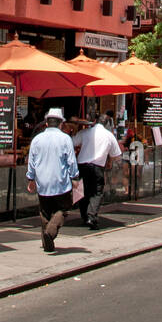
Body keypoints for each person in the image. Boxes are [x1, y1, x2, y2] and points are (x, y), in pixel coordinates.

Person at [26, 108, 80, 252]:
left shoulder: (37, 139)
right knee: (63, 209)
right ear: (61, 123)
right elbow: (71, 161)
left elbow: (31, 161)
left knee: (44, 212)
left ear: (46, 123)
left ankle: (46, 243)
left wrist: (30, 178)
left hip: (42, 182)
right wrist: (74, 177)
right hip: (60, 182)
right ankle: (50, 232)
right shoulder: (65, 139)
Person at [75, 113, 122, 226]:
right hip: (98, 167)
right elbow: (116, 155)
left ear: (95, 121)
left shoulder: (85, 132)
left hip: (82, 165)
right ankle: (91, 216)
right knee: (97, 192)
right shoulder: (109, 136)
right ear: (106, 124)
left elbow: (73, 142)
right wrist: (109, 160)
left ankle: (84, 216)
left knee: (83, 191)